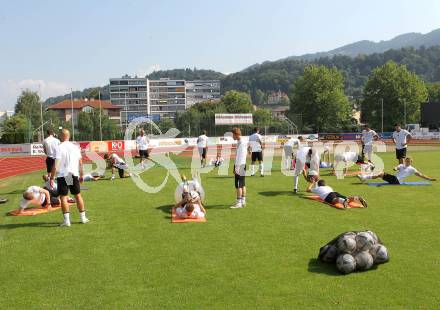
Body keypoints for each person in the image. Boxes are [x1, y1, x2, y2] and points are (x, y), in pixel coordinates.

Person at [50, 129, 88, 227]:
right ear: (69, 136)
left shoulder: (59, 148)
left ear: (61, 136)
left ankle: (67, 221)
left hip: (63, 174)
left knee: (63, 197)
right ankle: (83, 218)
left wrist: (51, 178)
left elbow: (55, 165)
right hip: (72, 174)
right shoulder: (75, 147)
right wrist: (82, 174)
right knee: (77, 195)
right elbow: (80, 162)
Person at [358, 157, 436, 184]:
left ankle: (364, 178)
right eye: (407, 161)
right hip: (395, 179)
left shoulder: (412, 169)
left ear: (411, 162)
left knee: (380, 174)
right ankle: (364, 178)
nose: (407, 162)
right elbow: (396, 167)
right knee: (380, 174)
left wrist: (429, 179)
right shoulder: (401, 165)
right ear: (405, 161)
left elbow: (421, 175)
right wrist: (395, 168)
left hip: (397, 181)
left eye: (409, 161)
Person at [230, 128, 248, 209]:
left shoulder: (241, 142)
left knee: (238, 185)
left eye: (233, 134)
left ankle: (239, 203)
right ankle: (243, 201)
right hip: (242, 164)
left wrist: (236, 167)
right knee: (242, 184)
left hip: (240, 165)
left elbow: (239, 156)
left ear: (236, 134)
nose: (232, 136)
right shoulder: (241, 141)